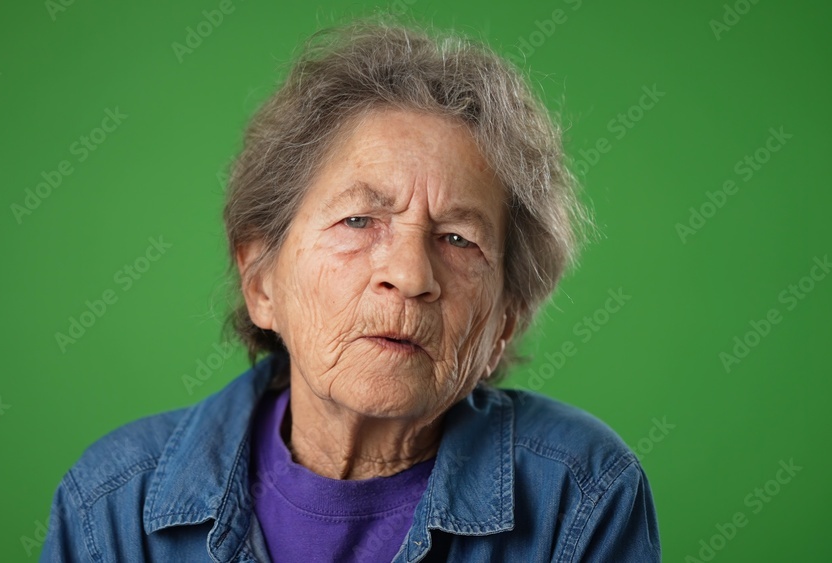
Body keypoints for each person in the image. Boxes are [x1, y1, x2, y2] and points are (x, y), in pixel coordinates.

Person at [40, 17, 661, 563]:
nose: (411, 276)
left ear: (503, 323)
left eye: (458, 239)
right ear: (261, 282)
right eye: (359, 221)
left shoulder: (581, 494)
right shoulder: (113, 503)